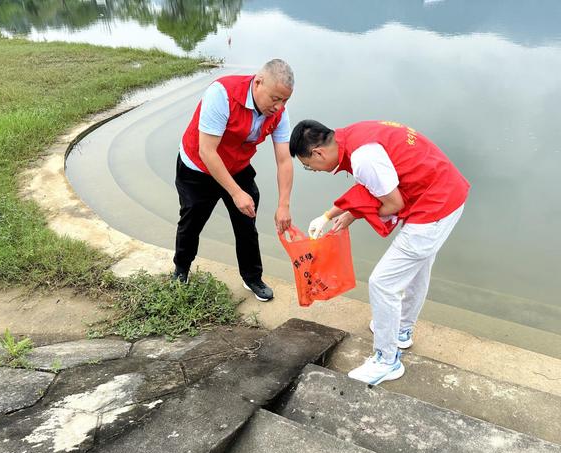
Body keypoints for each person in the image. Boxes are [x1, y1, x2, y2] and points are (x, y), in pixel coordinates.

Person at [289, 119, 470, 385]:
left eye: (308, 166)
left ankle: (387, 360)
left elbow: (393, 204)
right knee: (418, 268)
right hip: (445, 192)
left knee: (382, 283)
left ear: (318, 153)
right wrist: (330, 215)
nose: (313, 170)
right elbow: (374, 189)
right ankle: (402, 331)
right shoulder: (354, 136)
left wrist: (354, 214)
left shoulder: (363, 157)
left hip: (434, 206)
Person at [173, 59, 295, 301]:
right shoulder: (222, 95)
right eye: (275, 98)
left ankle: (252, 277)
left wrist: (284, 205)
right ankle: (181, 270)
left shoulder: (279, 112)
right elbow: (207, 151)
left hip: (237, 165)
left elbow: (284, 160)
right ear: (258, 82)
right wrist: (236, 192)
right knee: (192, 220)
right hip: (198, 166)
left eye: (285, 101)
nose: (279, 106)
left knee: (246, 222)